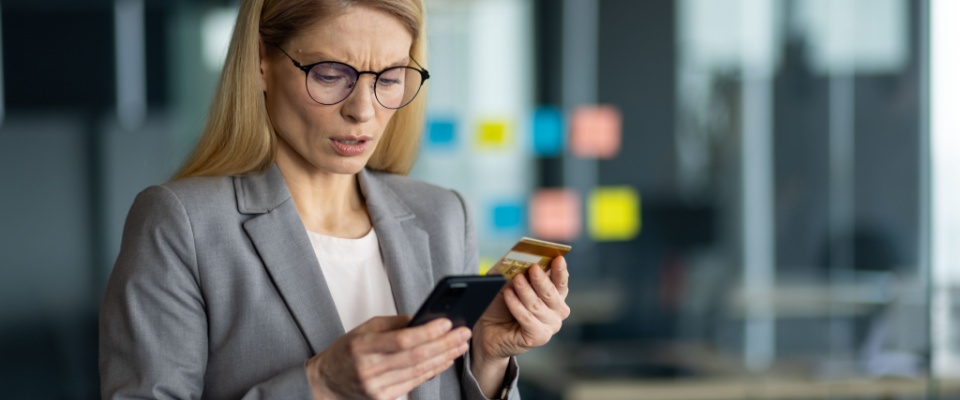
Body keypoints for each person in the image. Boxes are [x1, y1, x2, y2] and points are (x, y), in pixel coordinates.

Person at [98, 0, 571, 399]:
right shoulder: (182, 223)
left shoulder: (443, 215)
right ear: (261, 61)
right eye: (330, 74)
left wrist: (487, 357)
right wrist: (319, 384)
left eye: (388, 79)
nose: (362, 110)